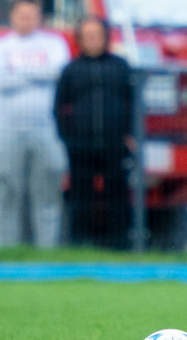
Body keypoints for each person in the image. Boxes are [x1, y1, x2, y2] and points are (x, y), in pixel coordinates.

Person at [0, 0, 71, 247]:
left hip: (45, 128)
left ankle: (47, 250)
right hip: (6, 129)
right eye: (22, 15)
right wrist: (38, 74)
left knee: (47, 192)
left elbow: (59, 72)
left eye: (31, 15)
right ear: (12, 16)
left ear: (39, 17)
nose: (26, 20)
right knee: (7, 190)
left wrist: (18, 72)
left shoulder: (54, 44)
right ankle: (7, 248)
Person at [55, 16, 133, 250]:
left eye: (96, 35)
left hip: (114, 142)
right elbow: (59, 107)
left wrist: (130, 134)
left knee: (117, 193)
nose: (92, 40)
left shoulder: (120, 67)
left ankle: (119, 244)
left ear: (106, 37)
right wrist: (66, 136)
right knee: (80, 195)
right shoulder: (71, 70)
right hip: (80, 144)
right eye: (87, 36)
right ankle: (79, 244)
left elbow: (134, 102)